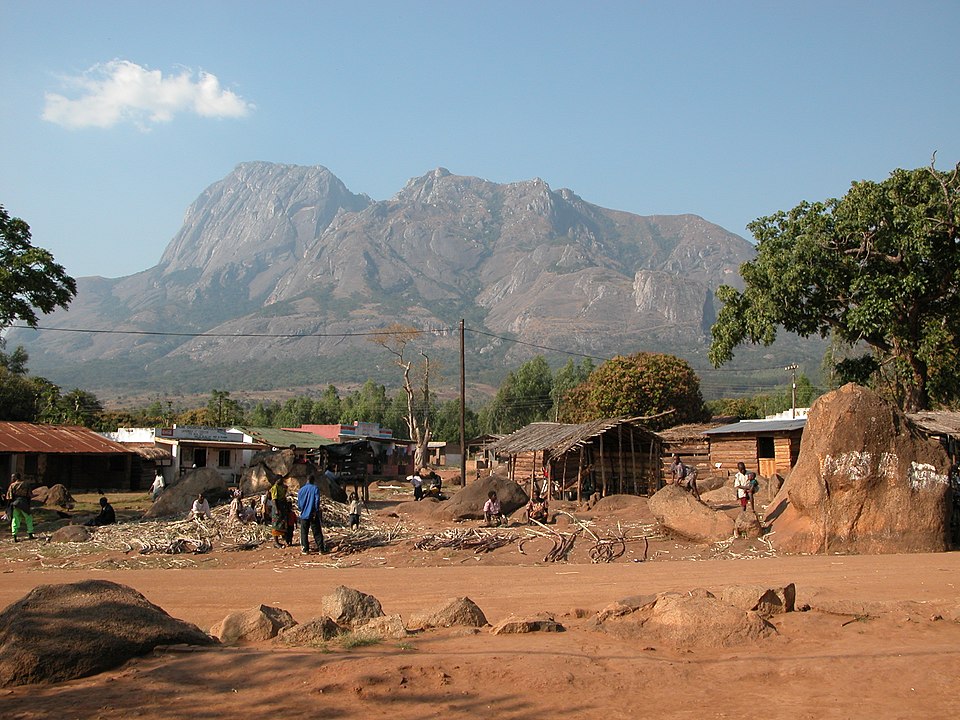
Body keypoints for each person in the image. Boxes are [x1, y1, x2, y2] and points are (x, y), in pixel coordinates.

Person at [297, 474, 325, 554]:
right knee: (317, 531)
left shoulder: (301, 490)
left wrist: (301, 509)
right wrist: (316, 511)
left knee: (304, 532)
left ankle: (305, 549)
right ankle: (321, 549)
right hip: (313, 513)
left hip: (304, 514)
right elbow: (317, 501)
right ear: (313, 480)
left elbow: (299, 503)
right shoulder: (315, 488)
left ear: (307, 480)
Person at [6, 473, 35, 542]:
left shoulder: (12, 485)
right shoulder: (26, 484)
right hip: (24, 503)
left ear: (15, 478)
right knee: (28, 518)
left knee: (15, 519)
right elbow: (29, 495)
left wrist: (8, 507)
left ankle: (14, 536)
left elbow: (9, 497)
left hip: (15, 503)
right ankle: (30, 534)